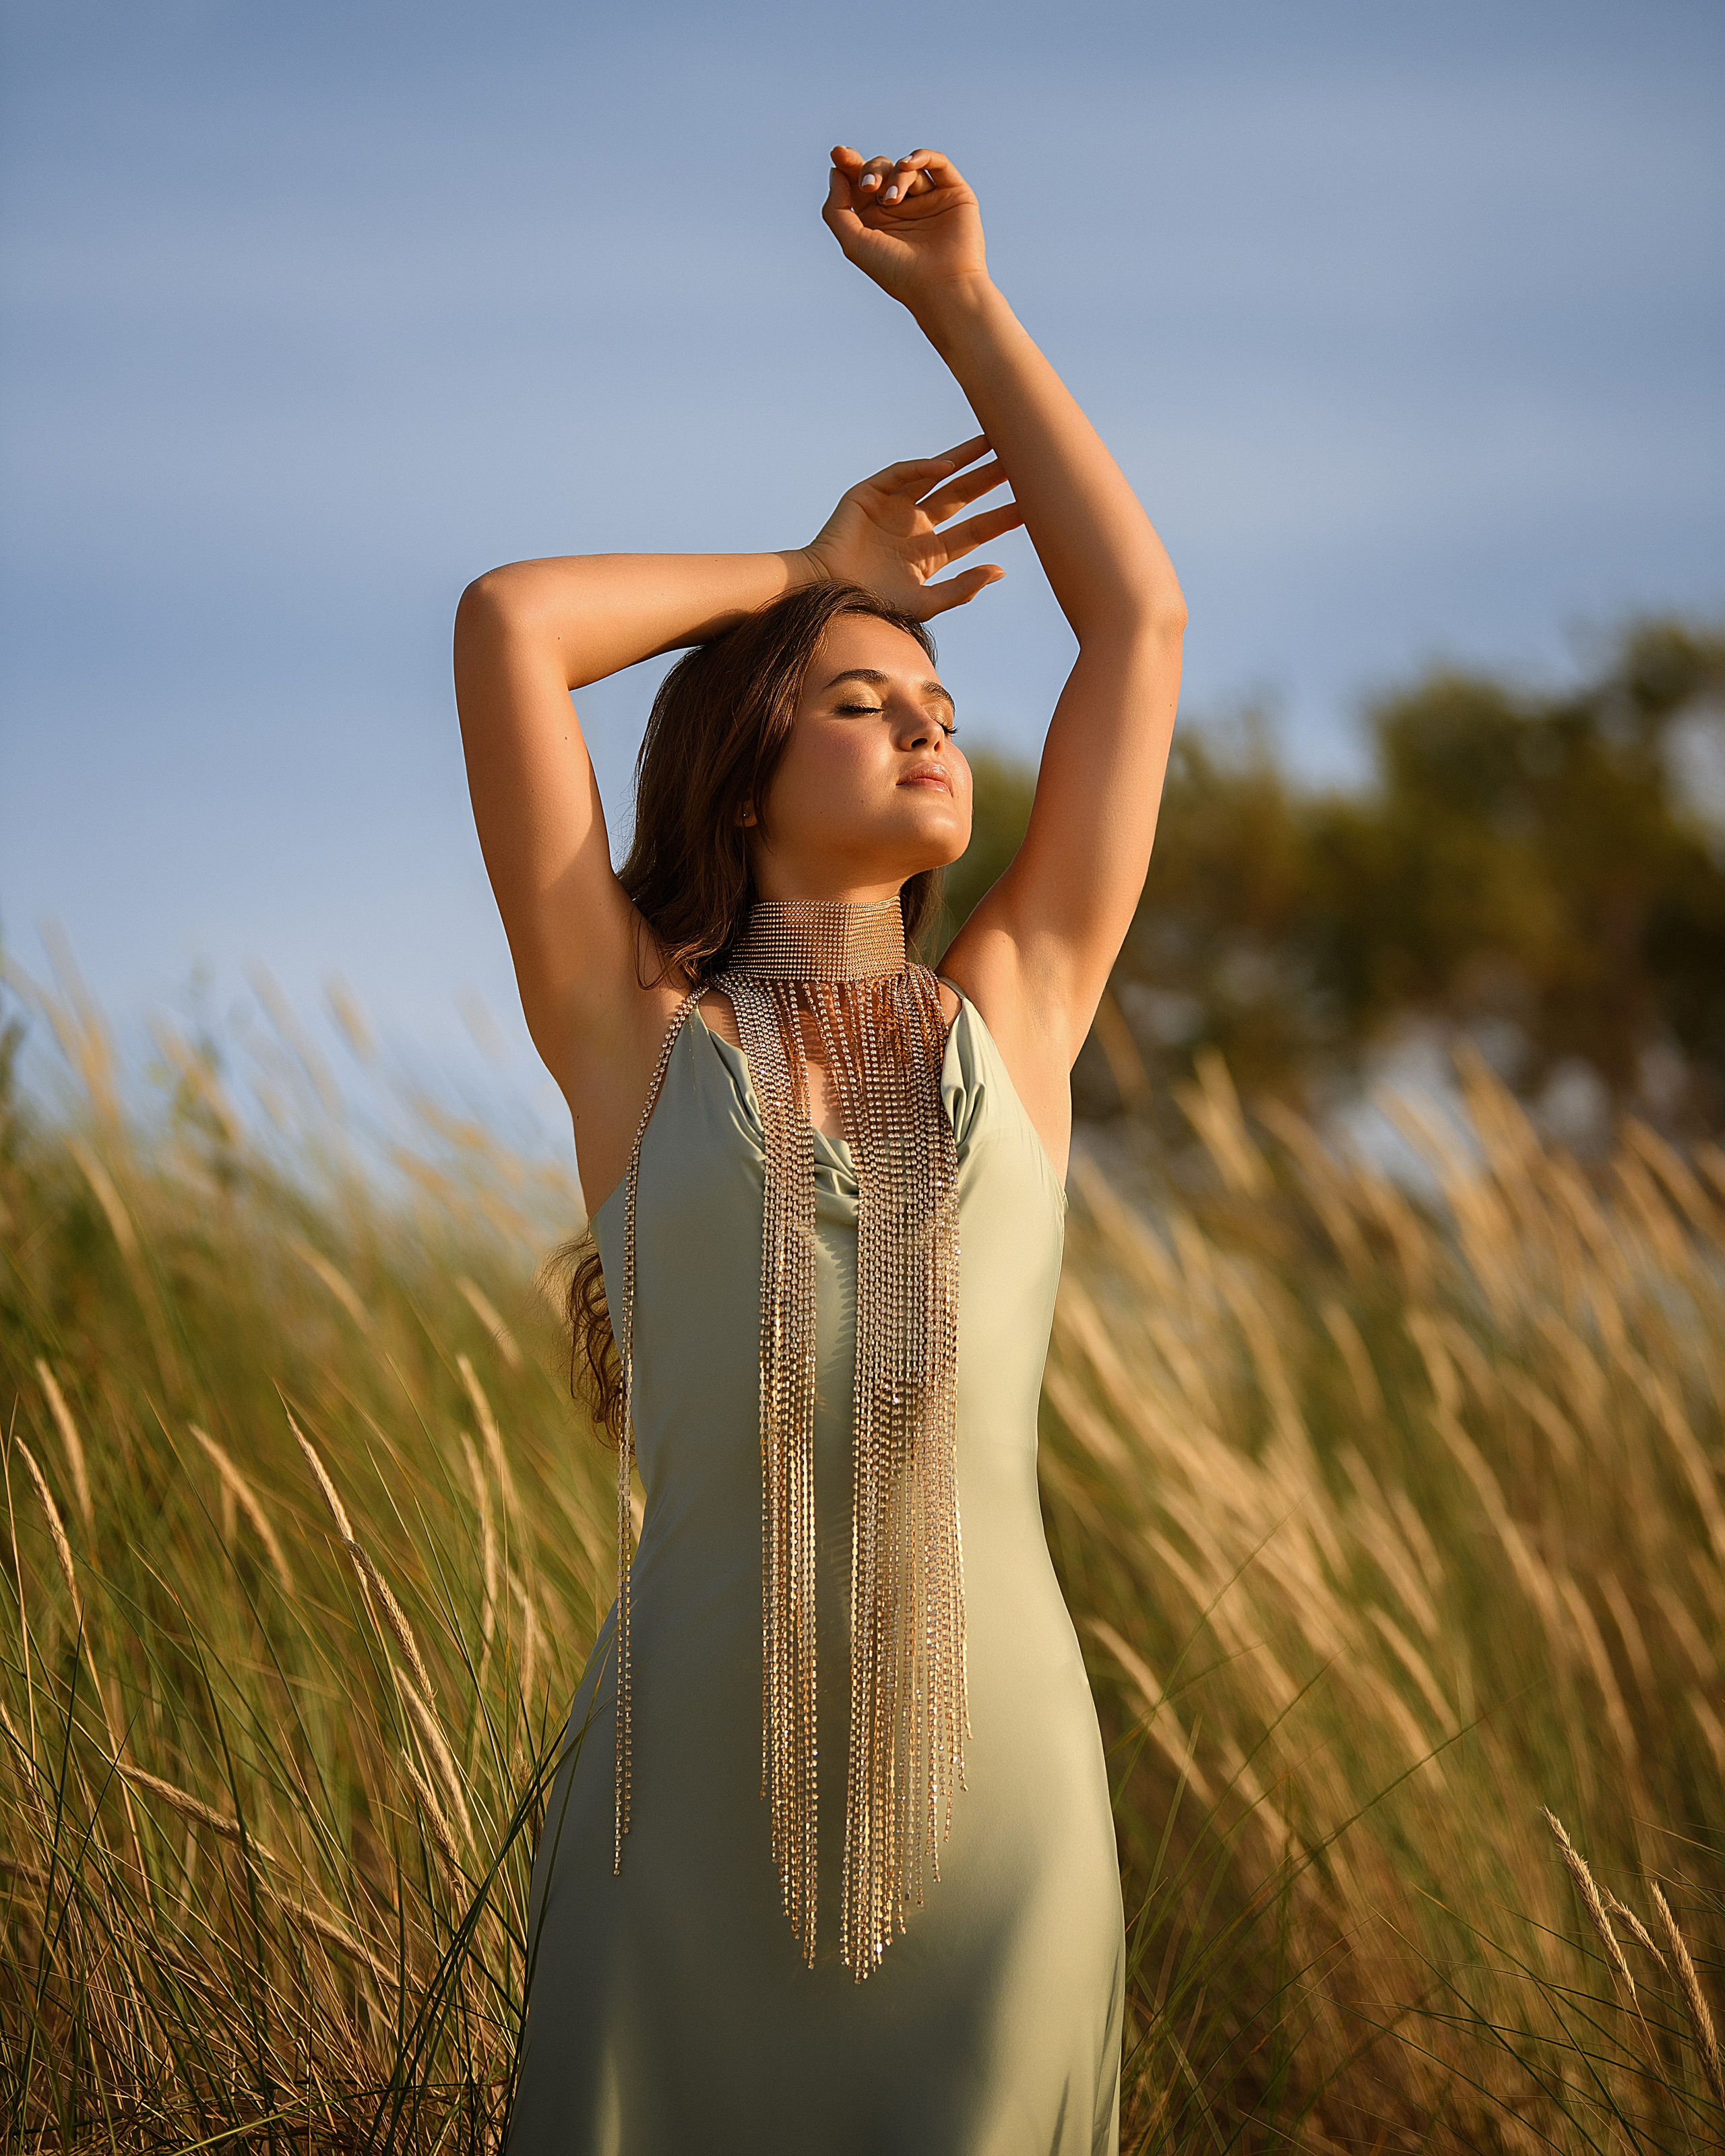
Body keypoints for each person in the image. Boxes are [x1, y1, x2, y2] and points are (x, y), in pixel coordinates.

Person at [455, 142, 1185, 2156]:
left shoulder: (1018, 1013)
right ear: (752, 776)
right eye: (866, 703)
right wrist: (807, 572)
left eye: (940, 700)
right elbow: (514, 625)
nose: (935, 726)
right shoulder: (633, 1030)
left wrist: (963, 303)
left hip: (1003, 1803)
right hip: (670, 1794)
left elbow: (1138, 625)